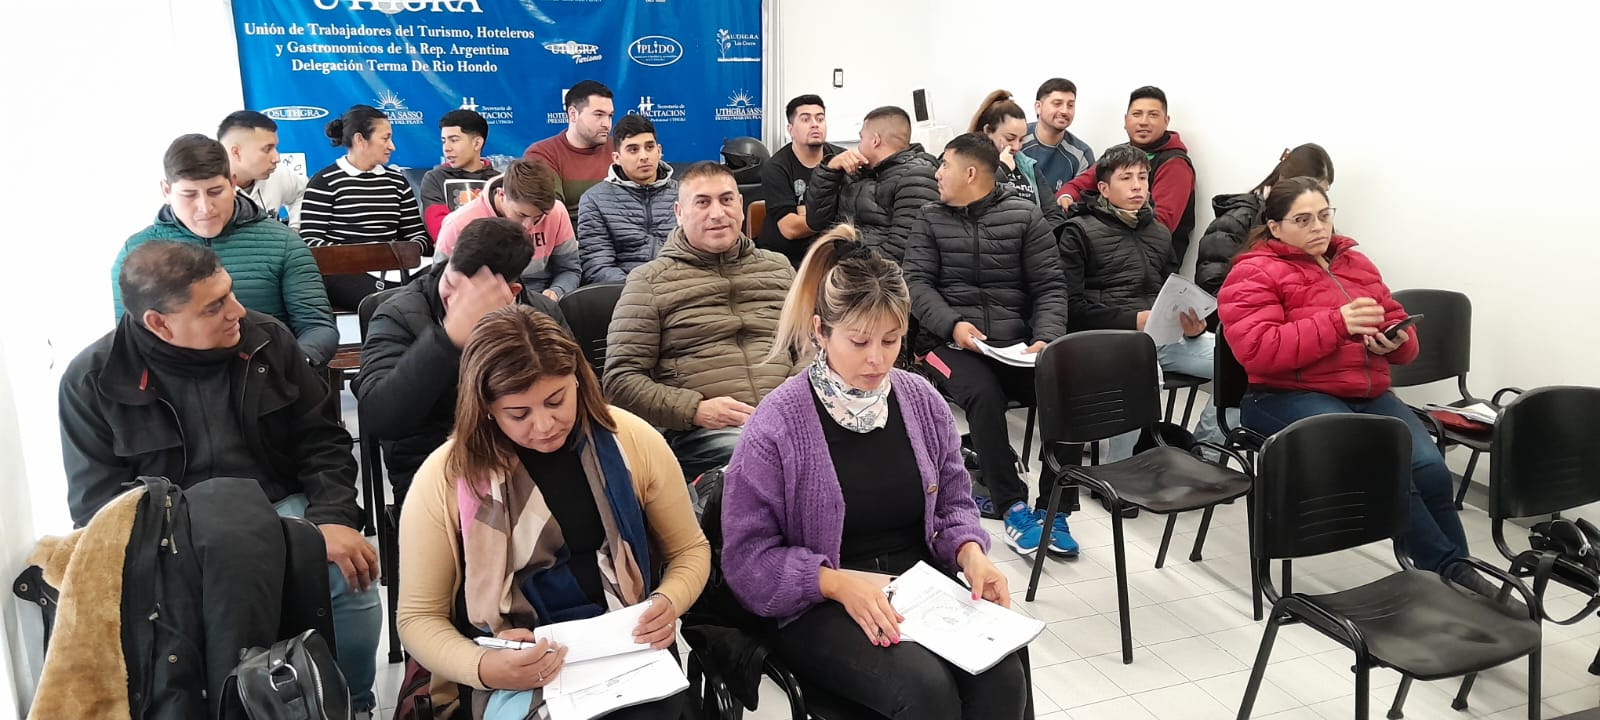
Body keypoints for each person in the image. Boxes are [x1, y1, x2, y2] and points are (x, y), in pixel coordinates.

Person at [721, 228, 1027, 720]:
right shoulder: (778, 424)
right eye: (859, 341)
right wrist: (835, 583)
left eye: (891, 340)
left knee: (1002, 674)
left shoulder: (920, 400)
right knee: (925, 693)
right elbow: (747, 563)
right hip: (821, 601)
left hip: (919, 586)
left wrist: (972, 555)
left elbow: (953, 503)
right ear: (820, 331)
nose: (876, 359)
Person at [63, 242, 382, 712]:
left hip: (280, 509)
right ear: (159, 322)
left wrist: (334, 519)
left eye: (229, 293)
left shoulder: (267, 339)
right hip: (173, 535)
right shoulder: (92, 380)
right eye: (214, 306)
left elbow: (323, 442)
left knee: (347, 571)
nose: (237, 311)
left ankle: (351, 703)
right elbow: (97, 507)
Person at [395, 305, 708, 719]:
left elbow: (690, 550)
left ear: (578, 380)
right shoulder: (446, 477)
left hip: (628, 651)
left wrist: (668, 601)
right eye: (518, 414)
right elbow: (417, 618)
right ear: (485, 407)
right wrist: (484, 667)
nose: (544, 425)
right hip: (511, 665)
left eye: (556, 400)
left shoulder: (630, 439)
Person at [1218, 177, 1472, 577]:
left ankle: (1457, 571)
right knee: (1384, 466)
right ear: (1275, 227)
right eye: (1302, 220)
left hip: (1363, 391)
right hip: (1281, 395)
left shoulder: (1355, 262)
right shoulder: (1253, 273)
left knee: (1429, 468)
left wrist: (1397, 341)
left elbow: (1396, 326)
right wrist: (1337, 324)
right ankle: (1451, 573)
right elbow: (1258, 351)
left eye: (1323, 215)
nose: (1318, 227)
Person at [902, 133, 1074, 557]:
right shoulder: (929, 218)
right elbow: (916, 284)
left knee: (1066, 388)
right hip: (945, 346)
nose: (937, 173)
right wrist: (954, 325)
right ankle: (1011, 504)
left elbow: (1051, 287)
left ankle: (1056, 507)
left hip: (1014, 345)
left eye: (944, 165)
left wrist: (1044, 338)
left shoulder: (1025, 217)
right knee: (982, 394)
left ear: (971, 172)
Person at [355, 217, 570, 507]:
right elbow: (380, 417)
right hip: (439, 466)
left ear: (511, 293)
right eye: (449, 287)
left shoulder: (540, 312)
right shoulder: (399, 314)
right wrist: (448, 339)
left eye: (470, 298)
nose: (455, 302)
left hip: (534, 456)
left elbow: (577, 390)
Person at [603, 162, 796, 481]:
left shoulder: (778, 269)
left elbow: (808, 344)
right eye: (702, 202)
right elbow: (620, 380)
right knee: (767, 463)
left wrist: (799, 384)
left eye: (726, 200)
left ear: (741, 206)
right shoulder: (649, 282)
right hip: (707, 434)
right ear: (679, 212)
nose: (718, 213)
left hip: (790, 417)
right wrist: (695, 410)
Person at [1058, 144, 1225, 459]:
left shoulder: (1158, 232)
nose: (1137, 186)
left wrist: (1191, 324)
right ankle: (1118, 470)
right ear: (1104, 189)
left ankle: (1206, 455)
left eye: (1143, 178)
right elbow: (1070, 308)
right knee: (1142, 375)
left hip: (1161, 336)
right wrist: (1132, 321)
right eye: (1126, 178)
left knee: (1241, 363)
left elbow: (1170, 291)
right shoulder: (1077, 232)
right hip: (1107, 342)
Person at [114, 134, 338, 366]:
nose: (205, 208)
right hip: (176, 383)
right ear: (166, 191)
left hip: (268, 373)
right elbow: (129, 340)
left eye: (215, 192)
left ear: (233, 183)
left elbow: (317, 327)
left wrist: (295, 365)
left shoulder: (283, 242)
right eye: (189, 195)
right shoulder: (137, 253)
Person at [300, 104, 431, 311]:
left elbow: (418, 236)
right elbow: (310, 242)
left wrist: (407, 252)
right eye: (385, 138)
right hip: (342, 274)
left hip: (397, 269)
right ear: (360, 139)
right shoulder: (324, 181)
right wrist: (366, 257)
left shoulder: (397, 181)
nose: (392, 146)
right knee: (395, 303)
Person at [1055, 86, 1197, 261]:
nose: (1144, 122)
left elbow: (1162, 224)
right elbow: (1075, 187)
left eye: (1153, 115)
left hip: (1149, 264)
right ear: (1125, 120)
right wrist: (1066, 198)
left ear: (1166, 121)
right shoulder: (1120, 155)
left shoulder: (1175, 164)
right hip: (1107, 253)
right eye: (1137, 114)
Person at [1195, 143, 1334, 298]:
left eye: (1323, 191)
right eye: (1307, 189)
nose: (1314, 197)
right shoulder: (1239, 219)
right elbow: (1210, 283)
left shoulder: (1322, 229)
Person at [804, 106, 940, 262]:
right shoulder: (859, 172)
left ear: (875, 140)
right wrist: (830, 171)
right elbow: (816, 221)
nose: (859, 146)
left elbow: (904, 249)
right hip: (844, 269)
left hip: (877, 278)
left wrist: (851, 267)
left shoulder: (917, 175)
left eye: (861, 138)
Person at [437, 158, 579, 300]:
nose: (528, 226)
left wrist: (556, 291)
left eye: (538, 217)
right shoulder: (457, 224)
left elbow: (570, 270)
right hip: (480, 305)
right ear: (501, 194)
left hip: (540, 302)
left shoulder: (556, 212)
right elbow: (440, 286)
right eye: (521, 215)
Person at [576, 114, 679, 284]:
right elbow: (598, 266)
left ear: (659, 151)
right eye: (633, 149)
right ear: (617, 158)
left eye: (649, 147)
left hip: (681, 287)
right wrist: (638, 290)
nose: (644, 156)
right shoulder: (594, 200)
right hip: (624, 293)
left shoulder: (685, 193)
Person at [757, 94, 844, 266]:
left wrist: (807, 213)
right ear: (790, 129)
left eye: (820, 119)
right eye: (805, 119)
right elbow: (790, 229)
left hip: (832, 252)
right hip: (788, 258)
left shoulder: (841, 159)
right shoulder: (776, 167)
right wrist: (834, 216)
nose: (815, 124)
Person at [525, 80, 615, 216]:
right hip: (571, 233)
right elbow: (551, 213)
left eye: (610, 116)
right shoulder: (543, 153)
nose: (607, 124)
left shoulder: (620, 149)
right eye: (598, 115)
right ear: (573, 114)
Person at [970, 89, 1055, 214]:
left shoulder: (1027, 164)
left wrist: (1041, 233)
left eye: (1021, 139)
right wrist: (1002, 169)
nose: (1016, 147)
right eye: (1010, 138)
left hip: (1034, 231)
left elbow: (1053, 212)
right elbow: (973, 206)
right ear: (988, 131)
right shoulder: (966, 161)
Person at [420, 109, 500, 239]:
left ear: (477, 143)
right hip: (451, 256)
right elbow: (440, 231)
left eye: (454, 140)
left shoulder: (498, 181)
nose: (446, 148)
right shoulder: (434, 179)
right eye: (444, 141)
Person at [218, 110, 307, 227]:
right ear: (236, 152)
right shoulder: (208, 188)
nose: (276, 158)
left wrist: (295, 229)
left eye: (275, 148)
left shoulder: (278, 173)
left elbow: (304, 193)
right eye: (267, 149)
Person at [1020, 78, 1095, 197]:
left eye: (1070, 105)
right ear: (1038, 107)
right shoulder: (1017, 139)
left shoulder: (1082, 155)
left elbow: (1083, 202)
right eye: (1057, 104)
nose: (1065, 111)